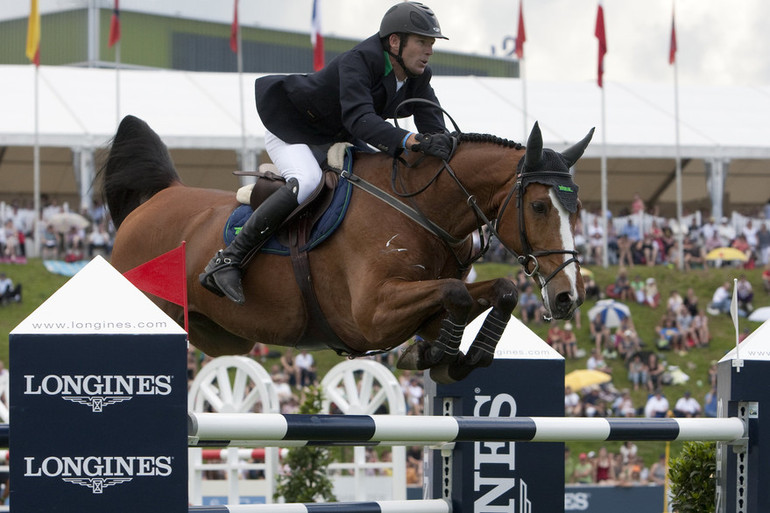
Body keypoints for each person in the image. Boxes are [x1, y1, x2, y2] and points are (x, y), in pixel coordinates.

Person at [200, 2, 452, 304]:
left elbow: (433, 121)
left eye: (431, 43)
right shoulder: (359, 61)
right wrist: (411, 140)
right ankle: (229, 259)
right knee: (306, 181)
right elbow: (360, 119)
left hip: (335, 136)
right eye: (422, 42)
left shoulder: (418, 75)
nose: (429, 50)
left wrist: (447, 145)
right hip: (292, 129)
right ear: (395, 41)